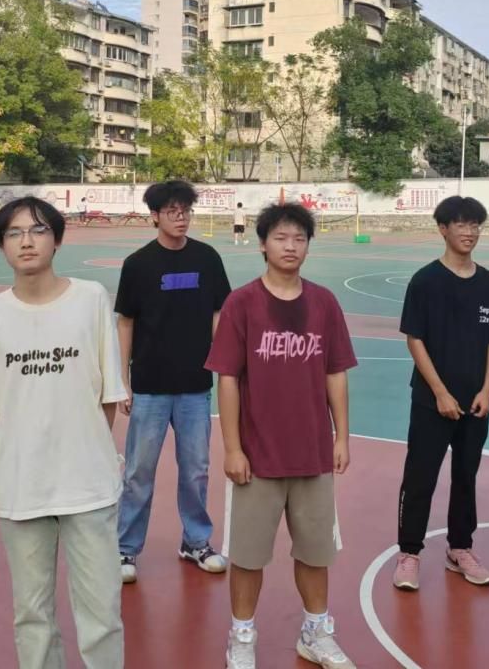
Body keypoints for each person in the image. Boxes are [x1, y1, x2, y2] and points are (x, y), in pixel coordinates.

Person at [0, 197, 126, 669]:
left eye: (37, 230)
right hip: (21, 481)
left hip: (88, 484)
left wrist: (86, 448)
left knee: (101, 614)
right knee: (32, 615)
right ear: (2, 246)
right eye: (14, 233)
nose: (27, 241)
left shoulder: (91, 299)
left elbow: (108, 394)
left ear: (57, 239)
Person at [206, 203, 357, 669]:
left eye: (299, 238)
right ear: (263, 245)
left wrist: (341, 436)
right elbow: (227, 378)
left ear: (308, 246)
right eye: (281, 238)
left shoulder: (324, 303)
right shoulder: (242, 303)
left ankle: (315, 631)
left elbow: (335, 372)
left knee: (315, 552)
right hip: (257, 457)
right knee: (248, 556)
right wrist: (232, 448)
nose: (291, 246)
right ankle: (242, 636)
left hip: (312, 453)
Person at [115, 180, 230, 583]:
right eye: (172, 212)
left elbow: (218, 313)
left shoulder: (207, 258)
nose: (181, 218)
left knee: (196, 470)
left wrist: (223, 363)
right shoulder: (138, 264)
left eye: (186, 211)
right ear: (155, 216)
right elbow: (126, 322)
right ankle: (125, 548)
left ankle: (196, 541)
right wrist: (123, 378)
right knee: (138, 473)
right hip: (149, 386)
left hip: (195, 386)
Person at [392, 196, 489, 592]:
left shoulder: (488, 282)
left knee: (466, 477)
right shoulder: (425, 281)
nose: (469, 232)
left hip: (476, 402)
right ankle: (409, 553)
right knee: (420, 477)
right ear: (443, 229)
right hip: (432, 401)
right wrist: (440, 392)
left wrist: (487, 390)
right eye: (460, 224)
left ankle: (460, 548)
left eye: (475, 224)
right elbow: (415, 339)